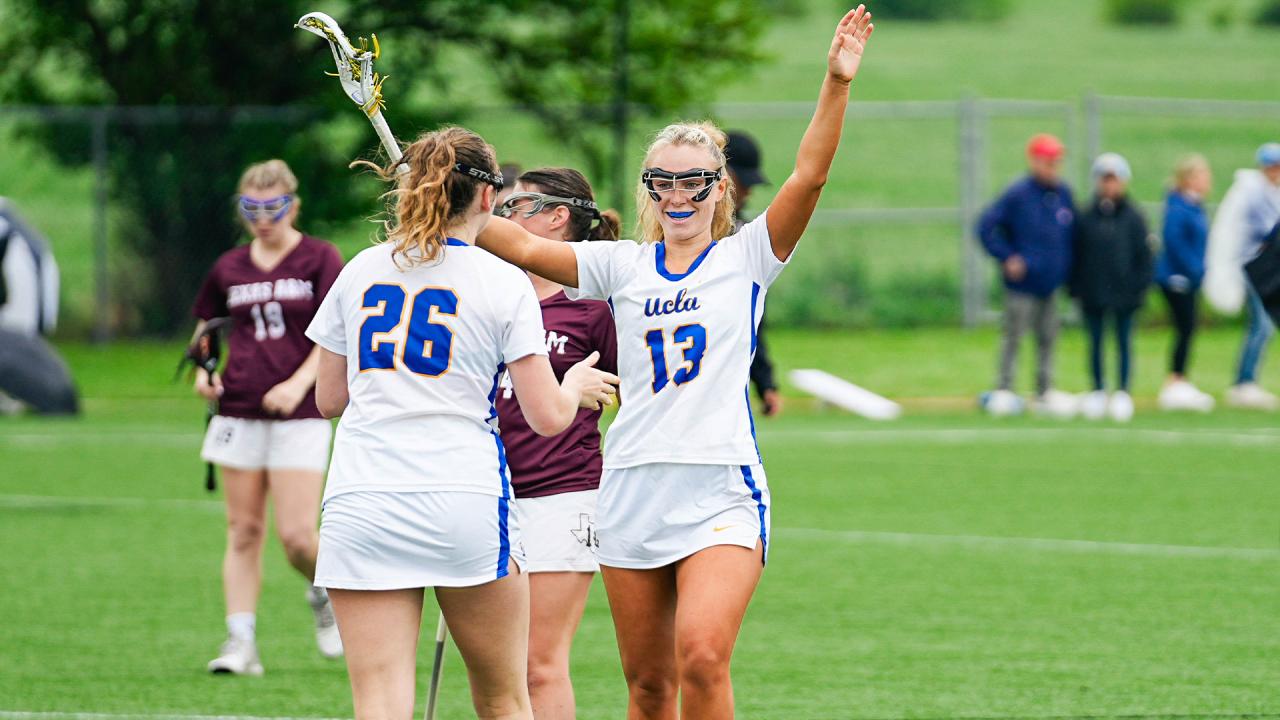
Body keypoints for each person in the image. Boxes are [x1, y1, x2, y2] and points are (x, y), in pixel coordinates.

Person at [474, 8, 874, 717]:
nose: (680, 195)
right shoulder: (623, 266)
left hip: (719, 488)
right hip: (630, 487)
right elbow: (527, 248)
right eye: (664, 181)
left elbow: (808, 179)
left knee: (702, 658)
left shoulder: (746, 257)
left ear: (721, 187)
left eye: (696, 181)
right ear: (648, 188)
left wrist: (836, 82)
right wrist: (447, 201)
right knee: (650, 687)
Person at [305, 127, 618, 720]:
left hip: (362, 499)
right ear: (483, 199)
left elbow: (328, 399)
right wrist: (573, 386)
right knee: (504, 699)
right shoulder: (502, 280)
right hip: (463, 500)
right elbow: (548, 417)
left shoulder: (361, 269)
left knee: (379, 700)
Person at [190, 159, 346, 675]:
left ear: (293, 205)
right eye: (251, 208)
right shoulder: (229, 267)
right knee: (243, 531)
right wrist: (203, 371)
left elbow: (334, 335)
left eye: (273, 207)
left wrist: (300, 383)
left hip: (300, 414)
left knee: (299, 537)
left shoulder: (320, 258)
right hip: (238, 410)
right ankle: (241, 642)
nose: (263, 218)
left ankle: (322, 593)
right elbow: (206, 329)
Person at [492, 167, 619, 719]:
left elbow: (632, 393)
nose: (502, 217)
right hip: (485, 494)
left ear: (557, 216)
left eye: (515, 207)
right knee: (499, 672)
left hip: (561, 495)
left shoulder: (592, 311)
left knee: (538, 665)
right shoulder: (487, 299)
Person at [978, 133, 1077, 417]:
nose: (1054, 167)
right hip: (1022, 285)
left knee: (1048, 338)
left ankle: (1044, 391)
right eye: (1048, 161)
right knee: (1013, 336)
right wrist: (1007, 257)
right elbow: (986, 227)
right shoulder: (1017, 194)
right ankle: (1004, 390)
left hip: (1051, 283)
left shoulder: (1063, 194)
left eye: (1057, 161)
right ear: (1034, 161)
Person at [1069, 153, 1153, 422]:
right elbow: (1076, 254)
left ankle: (1122, 392)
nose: (1109, 186)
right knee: (1095, 342)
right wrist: (1076, 287)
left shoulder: (1134, 217)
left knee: (1124, 342)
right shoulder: (1085, 216)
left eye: (1114, 180)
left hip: (1124, 293)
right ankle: (1097, 390)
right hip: (1093, 292)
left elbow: (1144, 257)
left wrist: (1139, 288)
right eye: (1104, 180)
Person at [726, 130, 784, 417]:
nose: (748, 191)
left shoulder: (744, 236)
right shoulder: (678, 231)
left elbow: (751, 317)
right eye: (743, 181)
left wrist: (765, 381)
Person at [1155, 154, 1215, 412]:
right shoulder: (1178, 206)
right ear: (1189, 178)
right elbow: (1175, 241)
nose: (1207, 181)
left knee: (1188, 328)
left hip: (1190, 277)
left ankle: (1179, 379)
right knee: (1186, 326)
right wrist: (1194, 269)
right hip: (1177, 278)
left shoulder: (1194, 205)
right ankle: (1175, 382)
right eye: (1202, 176)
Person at [1226, 142, 1280, 410]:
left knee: (1264, 326)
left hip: (1273, 267)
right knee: (1262, 324)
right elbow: (1266, 230)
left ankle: (1248, 380)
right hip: (1256, 267)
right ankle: (1244, 382)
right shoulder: (1254, 193)